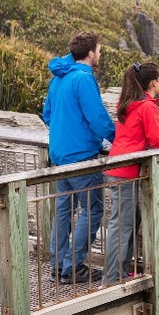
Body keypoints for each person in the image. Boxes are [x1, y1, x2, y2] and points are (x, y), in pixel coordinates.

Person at [103, 62, 159, 285]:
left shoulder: (132, 102)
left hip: (119, 167)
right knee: (122, 225)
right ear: (153, 83)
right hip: (125, 170)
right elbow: (156, 140)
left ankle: (121, 271)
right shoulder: (147, 106)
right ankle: (113, 278)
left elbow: (152, 134)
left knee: (129, 222)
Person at [42, 32, 115, 283]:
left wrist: (67, 130)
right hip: (82, 157)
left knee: (64, 210)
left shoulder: (59, 77)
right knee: (93, 209)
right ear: (91, 52)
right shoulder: (83, 78)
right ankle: (73, 267)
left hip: (60, 155)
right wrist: (116, 138)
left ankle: (57, 265)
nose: (100, 55)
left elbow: (47, 114)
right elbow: (97, 118)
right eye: (100, 50)